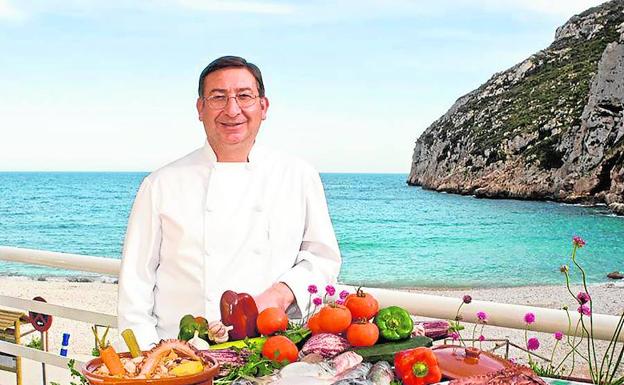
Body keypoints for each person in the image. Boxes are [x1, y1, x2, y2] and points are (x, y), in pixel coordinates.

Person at [117, 56, 341, 349]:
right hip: (182, 359)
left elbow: (323, 260)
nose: (232, 110)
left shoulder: (298, 175)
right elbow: (135, 285)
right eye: (218, 97)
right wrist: (149, 361)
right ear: (200, 109)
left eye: (244, 96)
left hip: (273, 353)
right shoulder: (161, 184)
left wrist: (282, 292)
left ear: (264, 107)